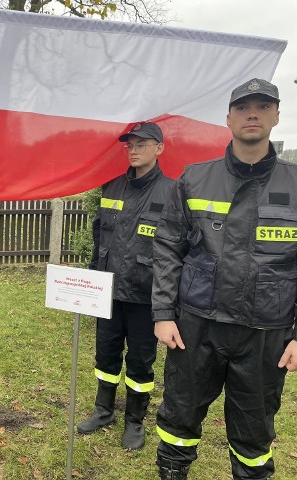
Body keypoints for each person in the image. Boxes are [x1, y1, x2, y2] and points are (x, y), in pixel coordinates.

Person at [152, 78, 297, 480]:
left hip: (266, 333)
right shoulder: (194, 179)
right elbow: (167, 249)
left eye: (263, 107)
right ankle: (172, 471)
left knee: (253, 432)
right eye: (244, 107)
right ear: (229, 118)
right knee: (180, 416)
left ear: (277, 116)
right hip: (197, 327)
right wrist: (163, 313)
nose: (253, 114)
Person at [77, 122, 174, 449]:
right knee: (105, 354)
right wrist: (92, 281)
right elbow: (98, 237)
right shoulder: (112, 187)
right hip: (107, 291)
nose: (133, 149)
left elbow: (177, 250)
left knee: (140, 361)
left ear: (159, 148)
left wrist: (169, 301)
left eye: (142, 144)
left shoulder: (173, 192)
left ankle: (134, 420)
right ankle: (103, 409)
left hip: (146, 296)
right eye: (130, 144)